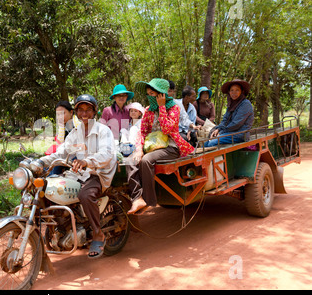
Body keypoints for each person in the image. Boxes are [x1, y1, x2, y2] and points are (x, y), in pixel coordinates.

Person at [39, 94, 116, 259]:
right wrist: (39, 162)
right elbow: (61, 152)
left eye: (88, 109)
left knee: (85, 194)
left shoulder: (103, 130)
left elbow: (106, 154)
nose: (84, 113)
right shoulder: (75, 133)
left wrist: (87, 161)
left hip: (99, 173)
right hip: (80, 173)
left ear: (95, 111)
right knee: (50, 187)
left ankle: (97, 233)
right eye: (81, 109)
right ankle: (62, 224)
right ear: (76, 112)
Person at [126, 78, 194, 215]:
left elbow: (167, 129)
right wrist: (139, 149)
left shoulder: (174, 108)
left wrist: (162, 106)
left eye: (153, 93)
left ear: (162, 94)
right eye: (148, 93)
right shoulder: (148, 110)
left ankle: (149, 201)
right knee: (130, 160)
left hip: (171, 146)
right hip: (152, 146)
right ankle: (137, 198)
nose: (150, 96)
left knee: (146, 160)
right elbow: (143, 132)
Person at [204, 79, 254, 147]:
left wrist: (221, 132)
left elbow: (236, 124)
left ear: (242, 92)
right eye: (232, 90)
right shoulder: (231, 104)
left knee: (212, 143)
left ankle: (215, 157)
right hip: (229, 132)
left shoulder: (245, 104)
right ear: (229, 92)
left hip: (240, 134)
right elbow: (225, 120)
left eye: (237, 90)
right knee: (206, 143)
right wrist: (218, 129)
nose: (234, 93)